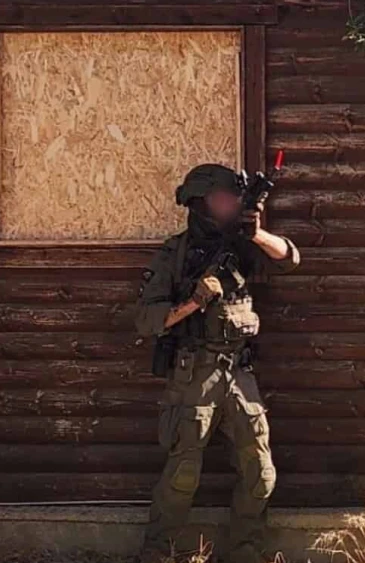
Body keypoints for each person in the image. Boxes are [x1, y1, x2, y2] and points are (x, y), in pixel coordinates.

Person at [134, 163, 300, 563]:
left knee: (260, 473)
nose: (231, 204)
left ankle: (245, 552)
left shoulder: (243, 244)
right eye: (224, 198)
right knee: (182, 476)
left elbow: (290, 257)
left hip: (239, 373)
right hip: (195, 374)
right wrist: (194, 301)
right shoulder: (175, 253)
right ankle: (159, 554)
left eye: (234, 198)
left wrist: (256, 233)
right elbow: (146, 319)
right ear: (200, 202)